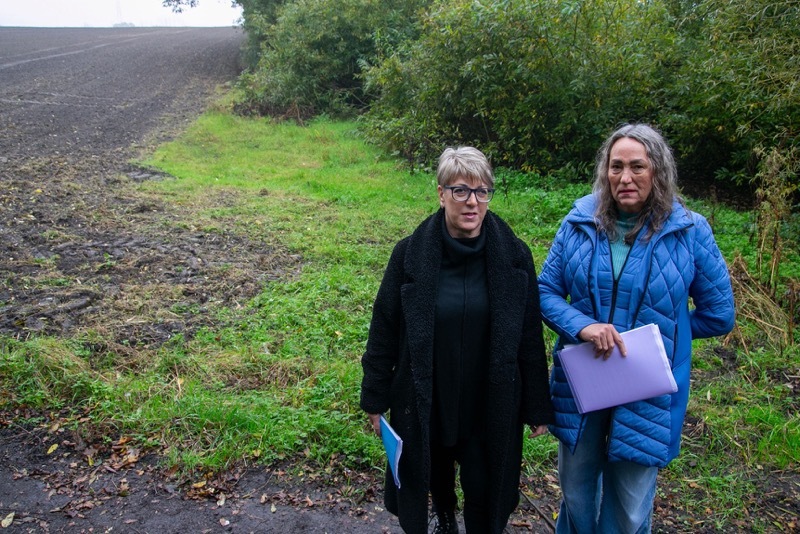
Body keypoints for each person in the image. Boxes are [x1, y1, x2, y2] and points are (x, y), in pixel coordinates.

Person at [537, 123, 735, 533]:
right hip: (583, 378)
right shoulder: (579, 222)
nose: (625, 178)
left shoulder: (690, 231)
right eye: (616, 167)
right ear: (605, 172)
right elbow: (544, 292)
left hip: (646, 387)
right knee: (575, 492)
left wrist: (658, 340)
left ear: (658, 171)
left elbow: (719, 314)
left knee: (629, 508)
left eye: (637, 167)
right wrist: (584, 326)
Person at [360, 146, 554, 533]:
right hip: (428, 397)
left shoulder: (514, 256)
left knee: (487, 490)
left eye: (482, 191)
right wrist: (375, 398)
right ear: (441, 193)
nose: (472, 202)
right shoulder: (409, 256)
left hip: (489, 399)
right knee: (430, 477)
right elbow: (383, 329)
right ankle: (443, 516)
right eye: (461, 190)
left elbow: (529, 335)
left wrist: (537, 404)